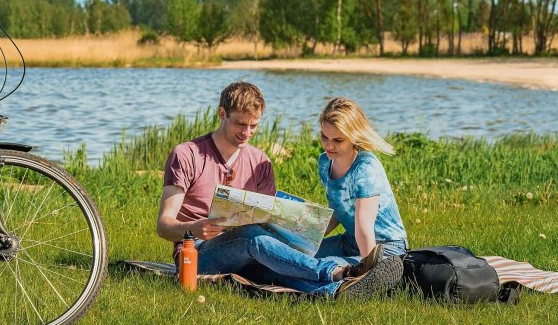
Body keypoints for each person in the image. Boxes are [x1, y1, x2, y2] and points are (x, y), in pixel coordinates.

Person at [156, 81, 402, 298]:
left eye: (253, 126)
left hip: (252, 251)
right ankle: (337, 272)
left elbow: (269, 221)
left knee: (280, 267)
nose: (246, 133)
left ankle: (337, 291)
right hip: (197, 254)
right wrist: (194, 228)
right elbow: (164, 225)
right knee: (252, 235)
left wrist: (300, 227)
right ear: (222, 114)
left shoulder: (260, 162)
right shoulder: (187, 155)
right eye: (240, 124)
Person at [314, 97, 408, 270]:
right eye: (324, 136)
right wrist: (308, 239)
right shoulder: (325, 162)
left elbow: (364, 227)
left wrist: (368, 269)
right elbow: (338, 209)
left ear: (354, 137)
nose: (329, 145)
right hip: (351, 241)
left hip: (385, 247)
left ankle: (363, 276)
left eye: (338, 140)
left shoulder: (366, 169)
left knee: (326, 267)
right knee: (298, 257)